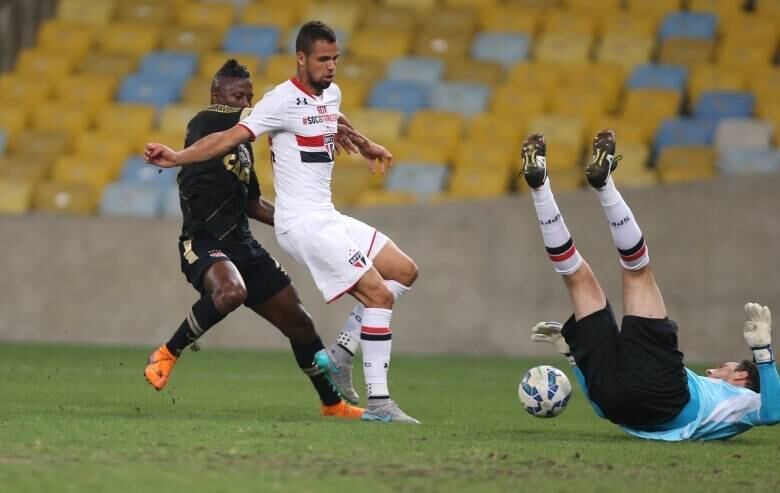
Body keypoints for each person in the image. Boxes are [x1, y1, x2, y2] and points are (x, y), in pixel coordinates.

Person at [144, 22, 420, 424]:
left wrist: (364, 143)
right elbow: (219, 138)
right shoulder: (249, 110)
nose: (331, 67)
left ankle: (335, 386)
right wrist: (175, 157)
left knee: (399, 274)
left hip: (306, 221)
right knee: (377, 296)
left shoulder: (326, 96)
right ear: (302, 58)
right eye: (323, 59)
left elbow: (329, 117)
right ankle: (379, 402)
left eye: (335, 59)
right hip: (267, 229)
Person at [519, 129, 780, 440]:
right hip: (617, 404)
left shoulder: (743, 400)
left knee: (636, 272)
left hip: (662, 395)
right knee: (577, 279)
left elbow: (774, 413)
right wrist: (573, 356)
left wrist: (763, 351)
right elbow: (603, 410)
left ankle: (591, 186)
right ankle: (545, 185)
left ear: (739, 377)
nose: (712, 370)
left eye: (724, 367)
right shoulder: (722, 409)